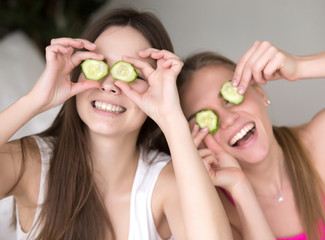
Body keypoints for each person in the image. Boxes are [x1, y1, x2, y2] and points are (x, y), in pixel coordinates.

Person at [0, 8, 232, 240]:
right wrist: (34, 101)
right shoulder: (32, 163)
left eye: (132, 73)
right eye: (98, 65)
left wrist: (171, 117)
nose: (109, 84)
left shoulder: (166, 182)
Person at [177, 41, 325, 240]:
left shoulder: (317, 143)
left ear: (261, 93)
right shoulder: (213, 213)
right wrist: (240, 188)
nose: (228, 120)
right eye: (205, 120)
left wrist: (300, 66)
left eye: (230, 98)